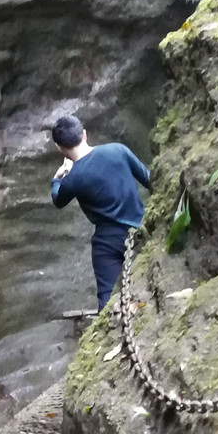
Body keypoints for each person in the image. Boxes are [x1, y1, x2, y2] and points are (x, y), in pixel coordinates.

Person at [49, 114, 150, 311]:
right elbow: (148, 178)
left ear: (59, 148)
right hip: (140, 227)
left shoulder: (74, 178)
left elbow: (58, 200)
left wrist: (57, 178)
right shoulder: (118, 150)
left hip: (108, 242)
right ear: (84, 135)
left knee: (107, 296)